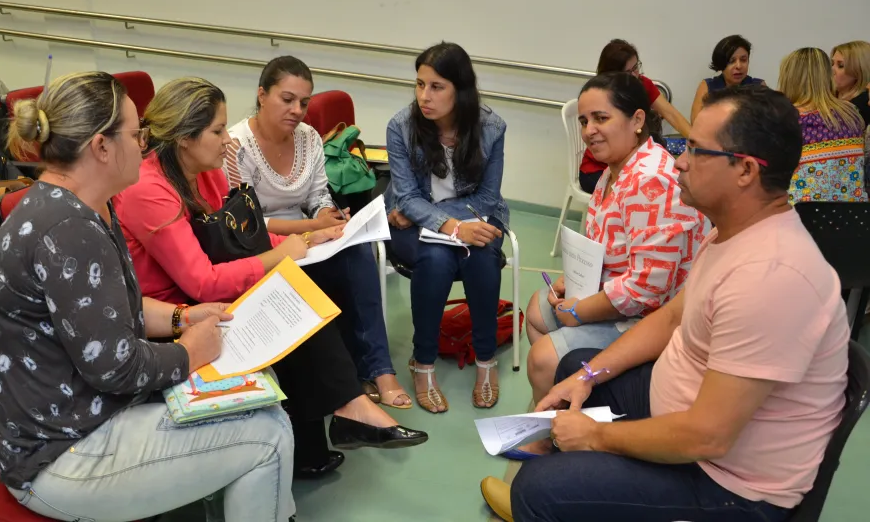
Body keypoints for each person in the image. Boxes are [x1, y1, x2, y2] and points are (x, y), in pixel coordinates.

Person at [481, 84, 851, 522]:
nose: (679, 161)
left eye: (696, 150)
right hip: (680, 407)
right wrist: (589, 374)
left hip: (726, 482)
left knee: (538, 491)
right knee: (571, 370)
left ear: (746, 170)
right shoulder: (732, 229)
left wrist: (596, 439)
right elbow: (675, 315)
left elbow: (706, 438)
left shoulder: (773, 279)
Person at [0, 72, 296, 521]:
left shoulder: (82, 206)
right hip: (62, 454)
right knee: (270, 437)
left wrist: (184, 317)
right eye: (134, 133)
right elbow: (116, 367)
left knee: (266, 404)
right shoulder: (67, 230)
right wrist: (188, 354)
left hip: (87, 420)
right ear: (101, 148)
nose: (145, 144)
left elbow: (114, 307)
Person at [113, 77, 427, 480]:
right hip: (172, 315)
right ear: (184, 139)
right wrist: (280, 255)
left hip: (203, 294)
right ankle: (345, 413)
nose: (228, 140)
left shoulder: (205, 172)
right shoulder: (148, 190)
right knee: (287, 302)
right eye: (217, 130)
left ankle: (322, 435)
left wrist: (309, 237)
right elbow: (201, 283)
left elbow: (240, 239)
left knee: (301, 290)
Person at [517, 73, 709, 458]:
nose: (589, 130)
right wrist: (568, 284)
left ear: (638, 120)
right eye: (584, 121)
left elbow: (649, 289)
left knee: (542, 356)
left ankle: (556, 441)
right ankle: (561, 403)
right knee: (537, 309)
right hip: (618, 294)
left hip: (651, 318)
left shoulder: (653, 179)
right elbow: (603, 248)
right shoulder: (614, 170)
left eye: (600, 119)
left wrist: (580, 308)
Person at [228, 56, 411, 409]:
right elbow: (245, 222)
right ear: (262, 95)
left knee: (358, 252)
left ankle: (379, 369)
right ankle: (349, 383)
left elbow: (316, 195)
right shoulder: (236, 146)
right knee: (333, 263)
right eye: (287, 99)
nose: (297, 110)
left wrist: (328, 214)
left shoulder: (309, 137)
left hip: (307, 238)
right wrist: (314, 226)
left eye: (304, 102)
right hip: (260, 245)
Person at [386, 41, 507, 413]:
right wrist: (452, 226)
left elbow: (487, 197)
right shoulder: (401, 127)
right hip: (416, 227)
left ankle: (486, 361)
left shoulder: (491, 127)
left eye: (437, 87)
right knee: (438, 259)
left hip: (475, 217)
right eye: (420, 84)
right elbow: (406, 198)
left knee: (482, 258)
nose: (424, 96)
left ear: (461, 89)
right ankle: (422, 363)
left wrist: (440, 216)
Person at [578, 39, 691, 192]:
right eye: (627, 72)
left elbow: (672, 115)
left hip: (633, 163)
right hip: (599, 169)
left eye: (636, 68)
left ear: (638, 120)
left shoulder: (643, 85)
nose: (634, 75)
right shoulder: (602, 95)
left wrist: (699, 145)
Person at [778, 47, 866, 203]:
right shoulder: (852, 114)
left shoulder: (785, 120)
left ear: (788, 77)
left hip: (800, 219)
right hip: (853, 217)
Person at [690, 35, 766, 122]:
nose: (738, 66)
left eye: (743, 60)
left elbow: (769, 125)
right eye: (731, 61)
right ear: (721, 63)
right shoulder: (707, 87)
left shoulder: (759, 87)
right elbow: (696, 125)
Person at [831, 40, 870, 126]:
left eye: (841, 65)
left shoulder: (864, 104)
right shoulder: (824, 95)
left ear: (859, 71)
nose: (832, 70)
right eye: (832, 63)